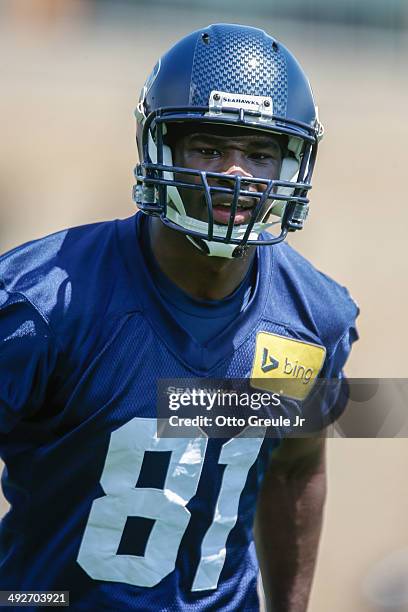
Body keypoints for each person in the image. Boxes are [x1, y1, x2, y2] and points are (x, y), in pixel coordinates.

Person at [0, 24, 358, 611]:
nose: (236, 173)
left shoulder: (309, 319)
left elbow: (294, 467)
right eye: (210, 148)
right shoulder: (46, 301)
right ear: (160, 147)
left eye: (260, 154)